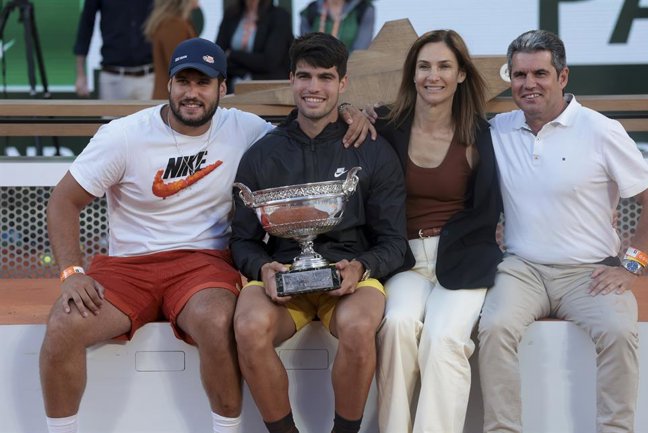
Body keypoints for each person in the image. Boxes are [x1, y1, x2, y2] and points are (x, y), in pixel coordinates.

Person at [40, 37, 372, 433]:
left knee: (218, 321)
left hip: (203, 264)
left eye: (203, 83)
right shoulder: (124, 135)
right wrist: (71, 272)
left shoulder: (245, 129)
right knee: (63, 325)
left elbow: (307, 123)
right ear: (169, 84)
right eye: (184, 81)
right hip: (128, 267)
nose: (191, 93)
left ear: (222, 88)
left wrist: (350, 111)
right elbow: (63, 201)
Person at [478, 29, 648, 433]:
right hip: (522, 269)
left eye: (540, 74)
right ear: (509, 79)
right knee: (494, 328)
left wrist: (631, 266)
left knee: (618, 331)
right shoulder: (497, 129)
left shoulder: (601, 129)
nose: (529, 84)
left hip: (589, 273)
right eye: (519, 75)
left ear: (563, 77)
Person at [230, 32, 408, 433]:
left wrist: (360, 267)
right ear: (291, 79)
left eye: (326, 77)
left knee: (360, 328)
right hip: (281, 280)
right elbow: (241, 238)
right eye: (305, 76)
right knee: (247, 326)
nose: (314, 88)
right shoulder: (262, 153)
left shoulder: (371, 148)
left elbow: (395, 241)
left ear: (343, 84)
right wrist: (263, 270)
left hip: (350, 278)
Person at [371, 30, 503, 433]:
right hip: (405, 261)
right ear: (412, 74)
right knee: (395, 327)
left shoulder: (481, 134)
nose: (434, 75)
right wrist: (349, 111)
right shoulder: (387, 126)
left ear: (461, 74)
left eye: (445, 66)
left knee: (444, 339)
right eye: (424, 66)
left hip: (461, 259)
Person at [74, 0, 155, 99]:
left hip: (149, 76)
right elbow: (86, 25)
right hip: (113, 76)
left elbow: (170, 20)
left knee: (153, 114)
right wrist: (80, 74)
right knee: (111, 113)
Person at [215, 0, 293, 94]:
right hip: (232, 87)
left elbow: (269, 61)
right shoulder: (231, 14)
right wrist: (242, 72)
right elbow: (218, 56)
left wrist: (232, 55)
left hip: (267, 89)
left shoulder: (279, 16)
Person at [143, 0, 198, 99]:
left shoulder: (172, 23)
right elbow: (180, 68)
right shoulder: (174, 25)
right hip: (174, 100)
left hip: (172, 97)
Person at [300, 0, 375, 52]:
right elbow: (305, 48)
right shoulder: (310, 10)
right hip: (315, 68)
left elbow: (360, 50)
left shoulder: (363, 9)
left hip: (350, 69)